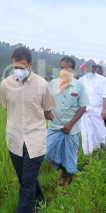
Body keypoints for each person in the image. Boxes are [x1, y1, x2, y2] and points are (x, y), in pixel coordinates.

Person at [0, 46, 57, 213]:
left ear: (30, 65)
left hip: (35, 139)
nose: (18, 70)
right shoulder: (6, 85)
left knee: (27, 183)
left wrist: (51, 116)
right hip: (15, 140)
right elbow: (8, 109)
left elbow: (48, 110)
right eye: (15, 66)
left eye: (22, 66)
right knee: (25, 180)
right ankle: (40, 202)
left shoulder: (42, 85)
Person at [46, 56, 89, 188]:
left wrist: (70, 124)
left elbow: (83, 107)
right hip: (54, 125)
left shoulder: (79, 85)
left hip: (72, 128)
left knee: (70, 155)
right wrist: (46, 112)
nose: (65, 70)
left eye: (68, 68)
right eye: (62, 67)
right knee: (49, 152)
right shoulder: (52, 84)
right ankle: (64, 171)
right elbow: (45, 101)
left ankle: (69, 177)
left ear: (73, 69)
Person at [79, 61, 106, 155]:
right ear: (85, 69)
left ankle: (100, 153)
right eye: (88, 69)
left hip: (98, 111)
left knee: (100, 135)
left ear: (95, 68)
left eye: (92, 69)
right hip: (85, 112)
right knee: (87, 135)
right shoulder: (81, 80)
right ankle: (89, 158)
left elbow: (105, 95)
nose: (90, 70)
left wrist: (104, 109)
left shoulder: (102, 79)